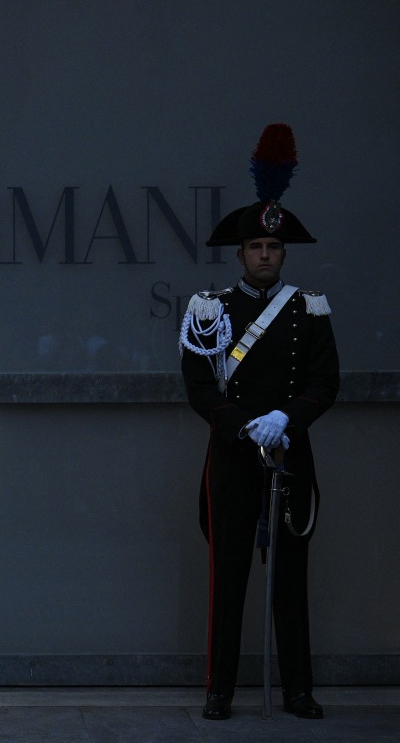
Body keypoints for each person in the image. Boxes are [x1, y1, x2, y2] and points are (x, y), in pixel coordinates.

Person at [179, 123, 338, 721]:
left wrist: (285, 419)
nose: (265, 256)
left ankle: (298, 689)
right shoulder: (210, 310)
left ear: (282, 253)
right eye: (256, 248)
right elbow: (198, 387)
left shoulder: (310, 308)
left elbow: (327, 382)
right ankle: (219, 689)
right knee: (229, 575)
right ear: (241, 253)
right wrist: (246, 425)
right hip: (234, 457)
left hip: (291, 453)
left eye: (274, 249)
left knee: (291, 577)